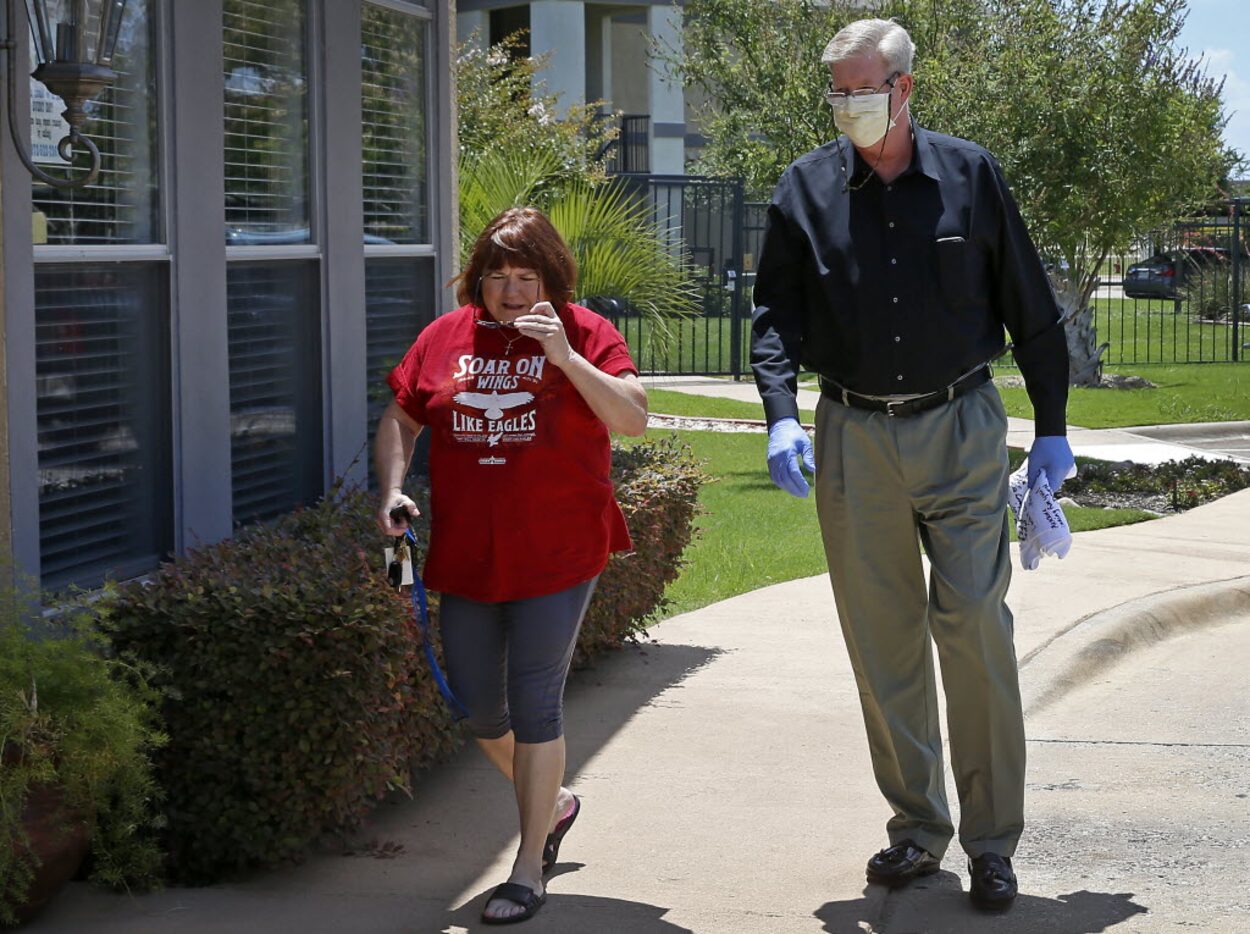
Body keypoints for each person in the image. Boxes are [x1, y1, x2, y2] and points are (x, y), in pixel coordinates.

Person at [750, 18, 1074, 911]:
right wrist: (781, 417)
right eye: (837, 91)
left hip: (961, 424)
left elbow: (1030, 302)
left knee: (973, 621)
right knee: (883, 643)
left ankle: (993, 841)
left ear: (905, 90)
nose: (849, 106)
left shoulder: (969, 175)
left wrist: (1051, 426)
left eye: (863, 89)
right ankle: (917, 830)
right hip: (853, 434)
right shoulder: (804, 188)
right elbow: (774, 315)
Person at [375, 207, 647, 925]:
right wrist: (394, 488)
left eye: (527, 277)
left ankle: (527, 867)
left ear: (550, 279)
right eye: (498, 278)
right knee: (475, 701)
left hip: (559, 552)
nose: (512, 293)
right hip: (467, 554)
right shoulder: (445, 336)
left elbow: (633, 417)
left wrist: (565, 358)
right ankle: (553, 804)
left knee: (534, 701)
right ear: (479, 281)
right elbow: (403, 415)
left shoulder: (587, 333)